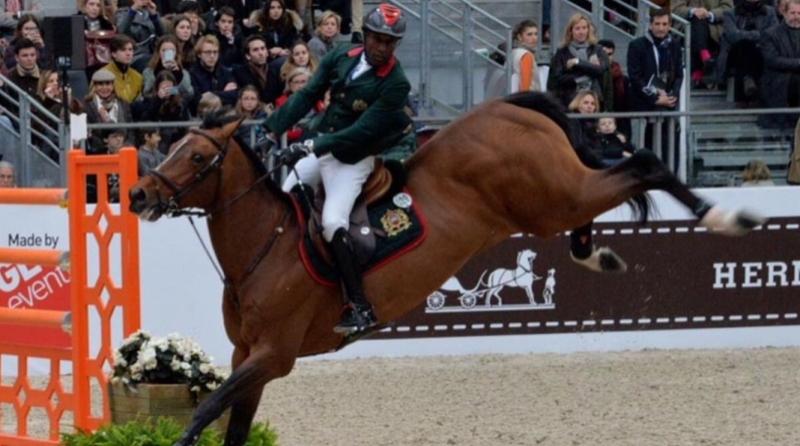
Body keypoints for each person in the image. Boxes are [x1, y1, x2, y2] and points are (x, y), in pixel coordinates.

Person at [263, 3, 412, 334]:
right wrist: (271, 128)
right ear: (367, 36)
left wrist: (313, 145)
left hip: (354, 159)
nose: (381, 48)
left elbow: (362, 131)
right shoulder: (340, 56)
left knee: (332, 222)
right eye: (377, 39)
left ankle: (359, 306)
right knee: (285, 199)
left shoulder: (396, 83)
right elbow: (308, 94)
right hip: (323, 148)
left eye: (389, 42)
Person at [627, 8, 683, 166]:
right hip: (646, 103)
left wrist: (673, 96)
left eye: (665, 24)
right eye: (657, 24)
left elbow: (679, 74)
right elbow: (635, 78)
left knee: (672, 136)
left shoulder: (674, 45)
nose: (661, 28)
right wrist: (655, 99)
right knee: (652, 142)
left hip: (669, 101)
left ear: (670, 25)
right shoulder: (637, 45)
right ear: (650, 25)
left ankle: (671, 175)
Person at [547, 13, 613, 110]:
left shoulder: (597, 50)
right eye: (577, 28)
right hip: (570, 101)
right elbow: (558, 78)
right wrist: (587, 70)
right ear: (570, 31)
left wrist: (577, 62)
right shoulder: (562, 52)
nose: (581, 32)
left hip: (595, 101)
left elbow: (600, 70)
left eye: (584, 28)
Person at [715, 0, 777, 103]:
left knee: (754, 48)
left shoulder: (770, 12)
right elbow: (733, 36)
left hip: (761, 53)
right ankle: (748, 80)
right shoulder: (729, 13)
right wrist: (758, 34)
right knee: (745, 45)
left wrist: (744, 34)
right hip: (735, 54)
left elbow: (773, 35)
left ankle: (748, 80)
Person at [758, 0, 800, 128]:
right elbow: (772, 60)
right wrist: (797, 63)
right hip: (779, 81)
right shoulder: (770, 34)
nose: (797, 17)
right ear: (784, 13)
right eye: (793, 13)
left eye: (799, 13)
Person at [672, 0, 732, 88]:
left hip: (713, 27)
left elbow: (728, 8)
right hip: (687, 27)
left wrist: (710, 14)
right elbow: (676, 8)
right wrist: (693, 11)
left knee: (699, 22)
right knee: (696, 21)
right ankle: (704, 56)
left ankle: (698, 70)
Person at [188, 35, 238, 114]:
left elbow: (235, 94)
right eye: (208, 52)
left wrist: (211, 95)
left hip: (224, 114)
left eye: (215, 52)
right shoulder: (192, 74)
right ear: (199, 54)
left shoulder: (225, 72)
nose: (212, 56)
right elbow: (198, 100)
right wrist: (224, 93)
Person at [141, 35, 194, 105]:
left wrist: (179, 77)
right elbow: (147, 93)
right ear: (158, 52)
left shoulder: (183, 73)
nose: (167, 53)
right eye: (164, 50)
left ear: (176, 53)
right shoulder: (149, 72)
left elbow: (188, 94)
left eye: (171, 51)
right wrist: (158, 71)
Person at [232, 35, 282, 106]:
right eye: (255, 50)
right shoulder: (239, 74)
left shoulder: (276, 71)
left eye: (263, 48)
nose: (260, 53)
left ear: (267, 52)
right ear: (248, 56)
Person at [99, 34, 143, 103]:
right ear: (114, 53)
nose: (128, 53)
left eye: (130, 49)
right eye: (123, 50)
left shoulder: (138, 77)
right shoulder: (102, 75)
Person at [509, 19, 540, 94]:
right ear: (519, 37)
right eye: (529, 34)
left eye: (536, 34)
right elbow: (525, 83)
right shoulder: (525, 55)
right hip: (528, 99)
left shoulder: (513, 52)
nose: (534, 38)